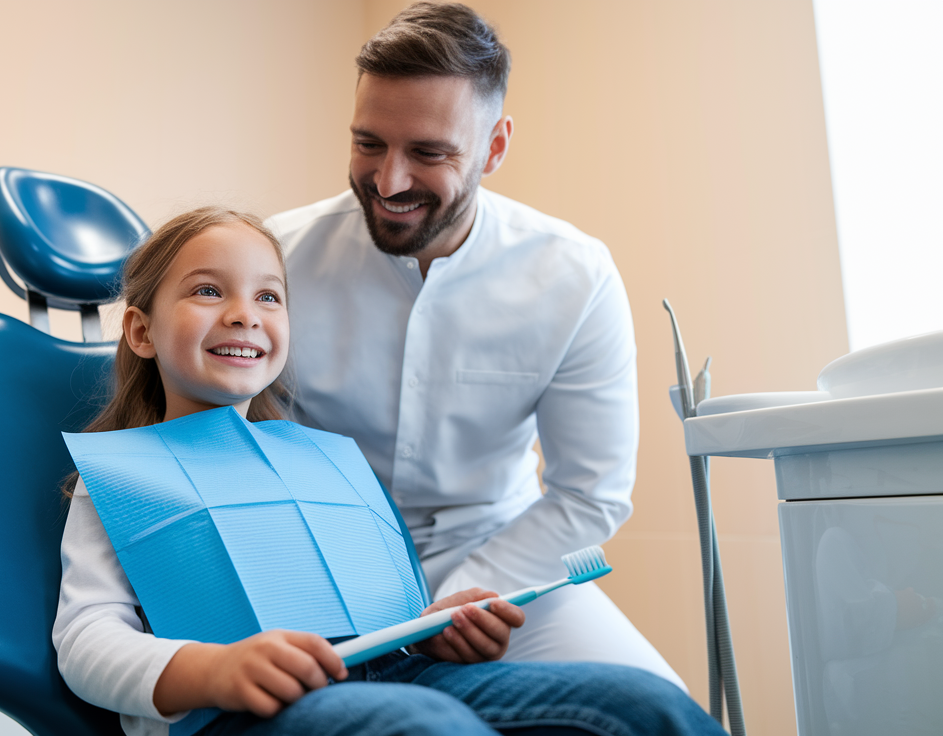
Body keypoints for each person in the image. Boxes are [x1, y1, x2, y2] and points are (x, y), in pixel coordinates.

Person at [51, 206, 723, 735]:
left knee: (640, 702)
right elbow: (86, 641)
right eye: (207, 290)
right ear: (140, 332)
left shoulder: (325, 459)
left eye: (269, 297)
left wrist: (438, 632)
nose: (243, 315)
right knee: (423, 726)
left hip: (405, 679)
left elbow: (387, 622)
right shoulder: (120, 478)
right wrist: (213, 670)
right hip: (241, 714)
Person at [267, 3, 681, 684]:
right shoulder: (276, 258)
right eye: (369, 143)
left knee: (657, 704)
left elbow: (591, 495)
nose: (389, 180)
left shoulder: (573, 274)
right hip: (318, 560)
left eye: (428, 153)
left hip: (501, 561)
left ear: (494, 146)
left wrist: (475, 591)